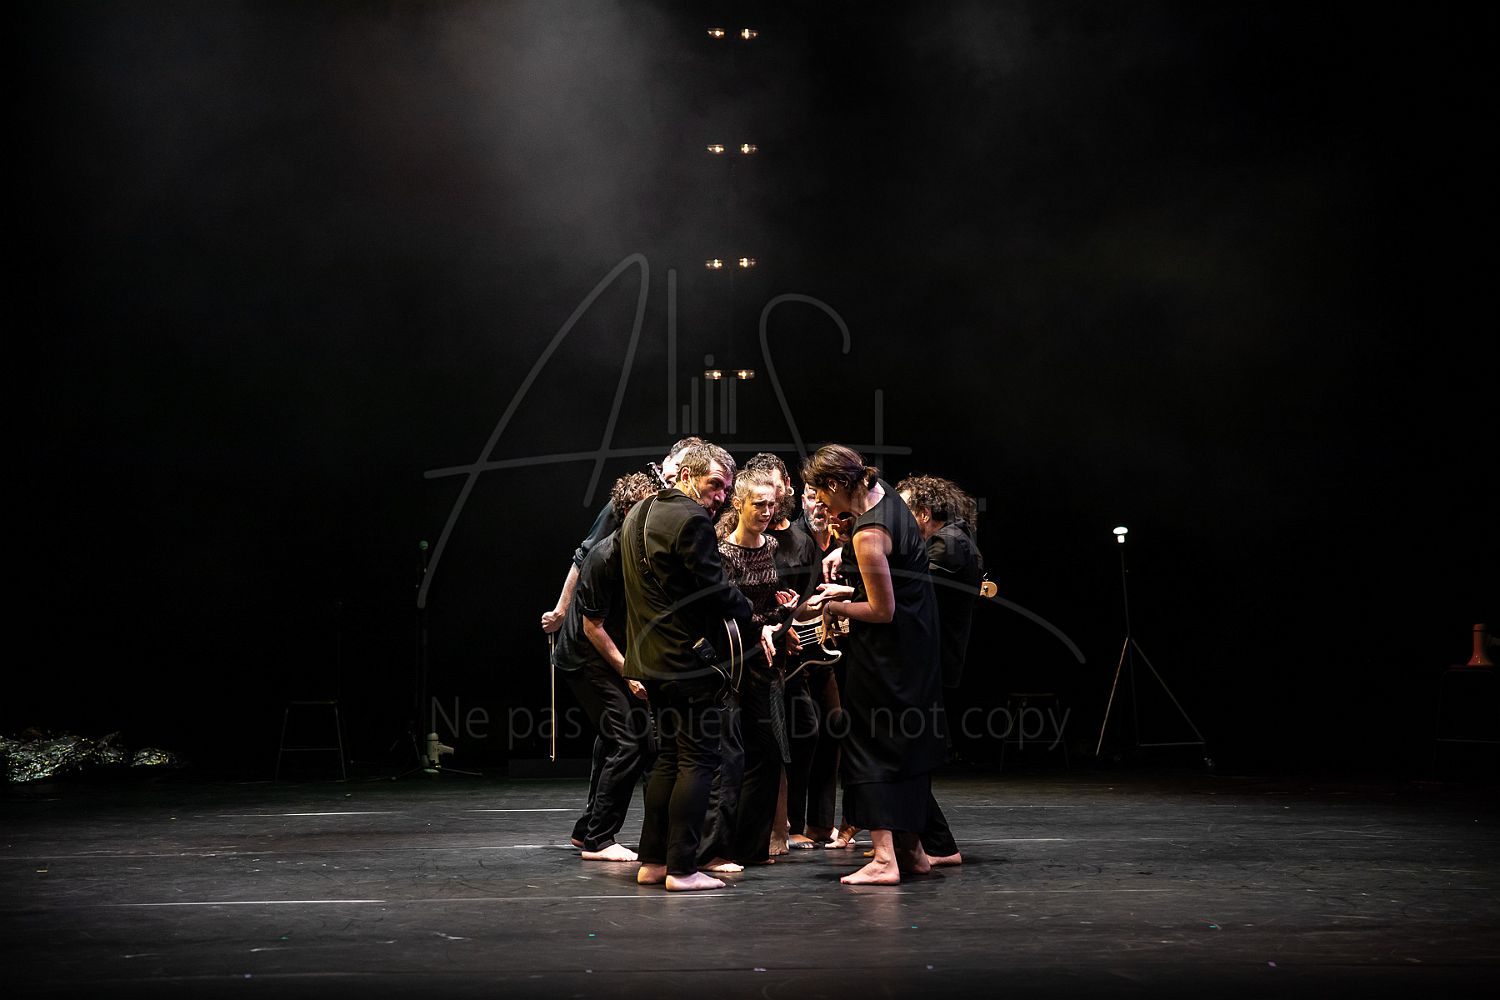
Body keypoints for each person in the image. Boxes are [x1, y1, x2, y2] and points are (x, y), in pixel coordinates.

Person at [620, 442, 760, 892]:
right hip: (686, 661)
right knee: (698, 760)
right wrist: (750, 613)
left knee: (668, 760)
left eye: (726, 489)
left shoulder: (638, 512)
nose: (721, 497)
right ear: (685, 476)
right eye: (714, 485)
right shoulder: (691, 518)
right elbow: (714, 590)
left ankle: (653, 862)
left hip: (650, 659)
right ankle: (682, 869)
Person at [803, 444, 945, 885]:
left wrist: (835, 607)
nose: (821, 506)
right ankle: (913, 853)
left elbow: (882, 610)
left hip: (886, 657)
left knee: (870, 748)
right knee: (905, 750)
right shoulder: (886, 495)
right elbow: (896, 587)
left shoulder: (868, 535)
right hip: (917, 645)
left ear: (835, 484)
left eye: (820, 494)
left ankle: (884, 859)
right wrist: (850, 591)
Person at [550, 472, 659, 861]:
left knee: (634, 739)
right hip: (583, 656)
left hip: (609, 653)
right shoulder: (605, 556)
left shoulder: (640, 551)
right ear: (627, 513)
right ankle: (599, 840)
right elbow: (591, 628)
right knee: (626, 741)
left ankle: (587, 831)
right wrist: (629, 672)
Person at [703, 469, 801, 868]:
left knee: (767, 752)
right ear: (738, 503)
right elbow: (728, 612)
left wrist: (785, 614)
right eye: (758, 504)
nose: (766, 511)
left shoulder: (772, 545)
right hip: (734, 661)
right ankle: (718, 848)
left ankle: (751, 846)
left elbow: (767, 607)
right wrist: (763, 625)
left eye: (771, 505)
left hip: (766, 660)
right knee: (731, 756)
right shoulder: (723, 553)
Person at [896, 474, 986, 868]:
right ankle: (919, 840)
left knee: (907, 756)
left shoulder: (948, 543)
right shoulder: (954, 539)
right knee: (907, 755)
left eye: (904, 511)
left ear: (923, 512)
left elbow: (912, 593)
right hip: (933, 662)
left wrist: (853, 591)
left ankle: (937, 844)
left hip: (930, 665)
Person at [541, 437, 703, 634]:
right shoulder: (635, 498)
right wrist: (560, 612)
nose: (677, 474)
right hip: (603, 612)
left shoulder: (682, 509)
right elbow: (583, 555)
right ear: (667, 460)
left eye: (685, 471)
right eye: (677, 465)